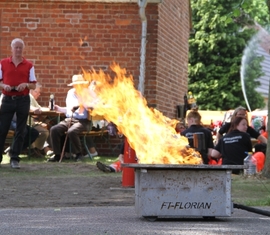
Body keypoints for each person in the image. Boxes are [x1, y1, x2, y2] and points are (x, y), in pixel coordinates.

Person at [0, 38, 37, 169]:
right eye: (16, 47)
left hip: (23, 99)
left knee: (21, 130)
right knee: (2, 128)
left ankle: (14, 158)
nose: (18, 50)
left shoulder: (29, 65)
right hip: (8, 99)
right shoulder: (3, 63)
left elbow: (33, 85)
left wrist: (25, 84)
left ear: (23, 49)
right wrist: (4, 85)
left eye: (20, 47)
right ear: (11, 48)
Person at [48, 74, 97, 162]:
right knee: (54, 129)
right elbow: (69, 110)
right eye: (75, 85)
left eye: (79, 84)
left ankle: (78, 154)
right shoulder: (70, 93)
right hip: (70, 119)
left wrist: (82, 104)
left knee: (72, 131)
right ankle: (57, 155)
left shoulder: (89, 93)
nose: (77, 86)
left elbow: (95, 106)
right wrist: (59, 108)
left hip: (84, 121)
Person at [29, 82, 53, 157]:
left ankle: (36, 150)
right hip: (27, 123)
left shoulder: (32, 98)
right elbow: (30, 107)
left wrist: (49, 109)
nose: (39, 94)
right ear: (32, 90)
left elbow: (40, 109)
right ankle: (35, 150)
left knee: (45, 130)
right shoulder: (28, 96)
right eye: (37, 92)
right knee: (43, 131)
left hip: (32, 123)